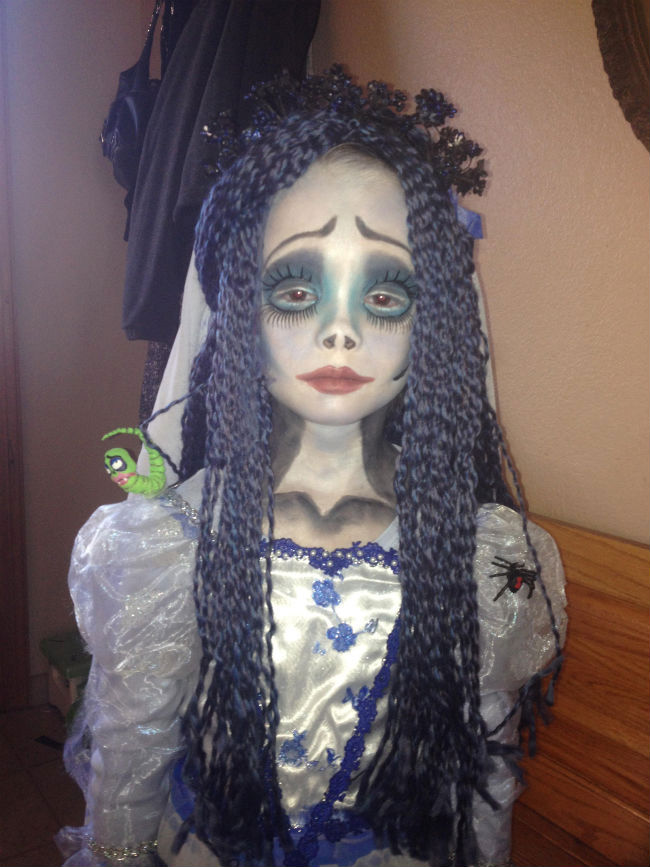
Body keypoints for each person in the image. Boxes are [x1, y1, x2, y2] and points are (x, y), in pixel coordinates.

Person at [57, 67, 566, 867]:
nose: (340, 331)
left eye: (385, 297)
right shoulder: (166, 541)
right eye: (297, 290)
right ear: (239, 312)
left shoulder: (485, 555)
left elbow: (484, 769)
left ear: (434, 321)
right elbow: (132, 751)